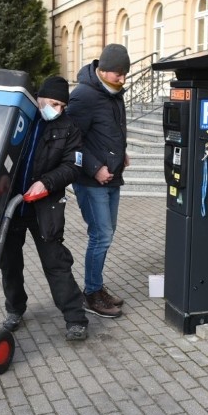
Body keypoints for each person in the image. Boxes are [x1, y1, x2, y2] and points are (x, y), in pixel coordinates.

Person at [0, 76, 89, 341]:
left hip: (44, 206)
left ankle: (75, 318)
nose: (59, 109)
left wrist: (46, 182)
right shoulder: (17, 116)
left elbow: (73, 166)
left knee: (56, 263)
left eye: (63, 106)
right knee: (9, 263)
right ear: (40, 98)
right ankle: (15, 310)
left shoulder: (68, 128)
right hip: (8, 205)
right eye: (54, 103)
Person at [66, 43, 131, 319]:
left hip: (113, 177)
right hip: (92, 181)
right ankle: (91, 294)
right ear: (103, 70)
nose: (123, 79)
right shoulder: (83, 96)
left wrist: (122, 153)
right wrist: (95, 168)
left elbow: (110, 131)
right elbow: (71, 140)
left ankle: (96, 286)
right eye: (118, 74)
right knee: (101, 234)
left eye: (125, 74)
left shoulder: (114, 93)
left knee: (108, 232)